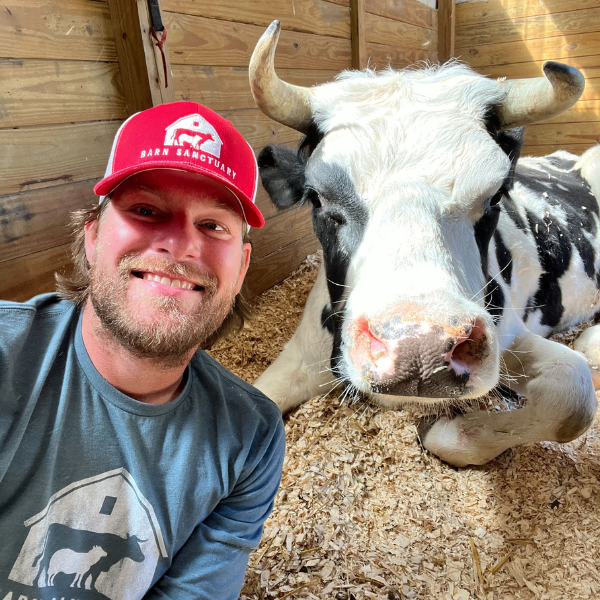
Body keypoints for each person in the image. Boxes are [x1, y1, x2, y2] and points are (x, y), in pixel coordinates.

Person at [0, 102, 285, 600]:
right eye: (146, 210)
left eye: (213, 225)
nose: (179, 245)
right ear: (92, 237)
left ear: (241, 269)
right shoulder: (7, 357)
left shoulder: (250, 438)